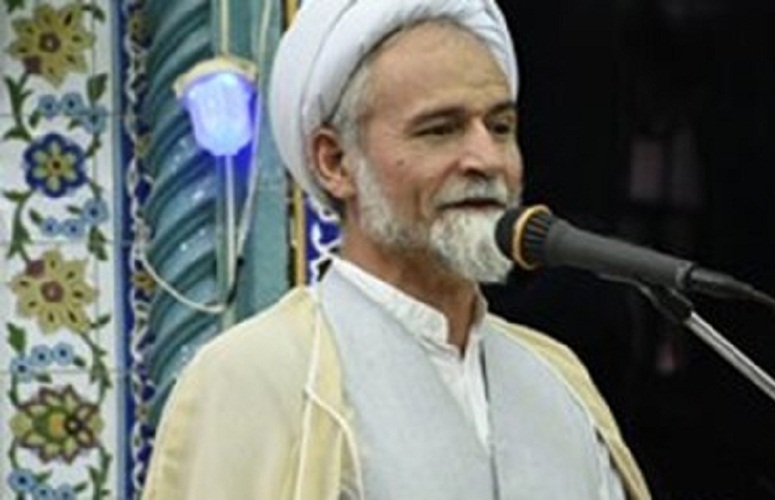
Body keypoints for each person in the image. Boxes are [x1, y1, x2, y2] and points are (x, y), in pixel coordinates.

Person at [141, 1, 650, 499]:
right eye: (440, 129)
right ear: (335, 162)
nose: (486, 158)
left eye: (500, 128)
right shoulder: (253, 376)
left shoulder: (557, 379)